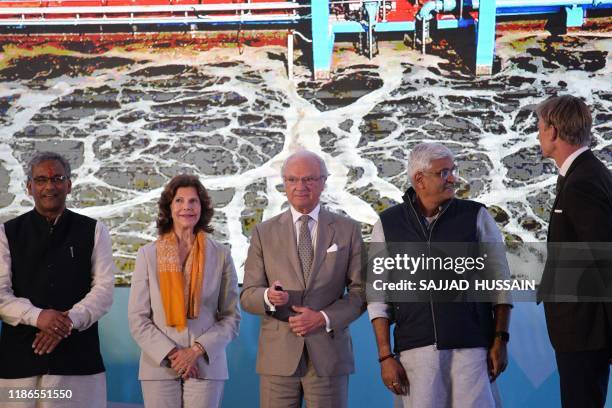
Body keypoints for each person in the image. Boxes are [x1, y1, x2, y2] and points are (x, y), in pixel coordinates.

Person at [367, 142, 512, 407]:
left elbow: (500, 283)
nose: (453, 178)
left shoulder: (476, 216)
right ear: (419, 179)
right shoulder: (387, 224)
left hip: (472, 348)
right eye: (444, 173)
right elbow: (377, 296)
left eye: (452, 170)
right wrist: (385, 357)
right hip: (416, 351)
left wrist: (501, 339)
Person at [240, 149, 365, 408]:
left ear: (323, 181)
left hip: (328, 356)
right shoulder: (263, 232)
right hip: (278, 358)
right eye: (292, 180)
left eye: (309, 179)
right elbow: (248, 295)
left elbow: (360, 292)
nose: (300, 186)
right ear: (284, 184)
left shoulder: (348, 230)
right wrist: (268, 297)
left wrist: (323, 318)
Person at [0, 151, 115, 408]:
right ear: (29, 187)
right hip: (19, 365)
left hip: (78, 364)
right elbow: (0, 294)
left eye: (57, 178)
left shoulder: (94, 230)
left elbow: (104, 290)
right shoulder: (6, 233)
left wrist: (68, 322)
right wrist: (38, 317)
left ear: (69, 185)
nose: (49, 186)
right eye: (41, 180)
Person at [128, 174, 240, 408]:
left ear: (202, 207)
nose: (186, 207)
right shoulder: (148, 255)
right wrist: (174, 354)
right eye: (179, 201)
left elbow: (231, 316)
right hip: (159, 365)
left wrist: (196, 351)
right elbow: (138, 318)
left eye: (193, 201)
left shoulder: (221, 254)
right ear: (169, 207)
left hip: (206, 364)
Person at [536, 95, 612, 407]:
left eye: (539, 128)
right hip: (584, 329)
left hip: (585, 331)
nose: (538, 135)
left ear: (553, 131)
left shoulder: (582, 181)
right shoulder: (587, 172)